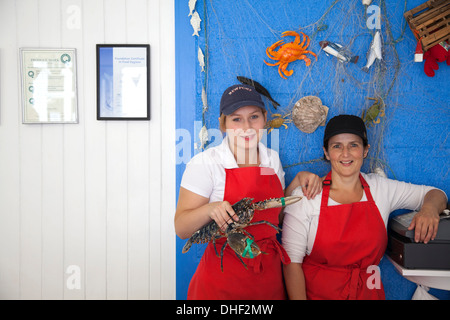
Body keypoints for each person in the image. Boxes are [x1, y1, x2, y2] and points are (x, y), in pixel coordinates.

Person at [174, 84, 322, 300]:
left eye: (254, 116)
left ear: (265, 118)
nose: (247, 126)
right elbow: (181, 229)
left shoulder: (272, 159)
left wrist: (297, 182)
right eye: (236, 119)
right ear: (222, 124)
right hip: (222, 283)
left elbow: (275, 217)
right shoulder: (206, 163)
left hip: (268, 278)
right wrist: (210, 209)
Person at [282, 114, 448, 300]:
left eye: (354, 145)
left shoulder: (381, 189)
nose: (346, 153)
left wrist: (429, 209)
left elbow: (436, 193)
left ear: (365, 150)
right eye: (337, 146)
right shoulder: (307, 197)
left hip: (369, 294)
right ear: (327, 152)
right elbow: (291, 263)